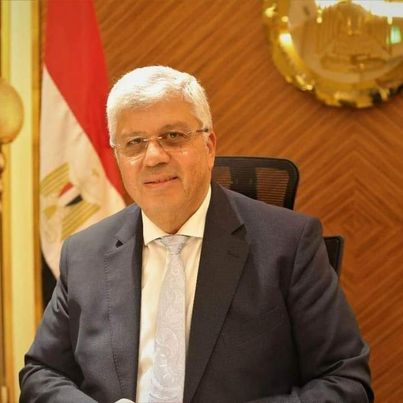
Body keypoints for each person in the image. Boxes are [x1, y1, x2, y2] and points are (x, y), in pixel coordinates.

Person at [20, 66, 373, 403]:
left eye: (173, 136)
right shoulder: (84, 254)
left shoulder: (289, 244)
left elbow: (346, 381)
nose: (153, 157)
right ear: (118, 157)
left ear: (209, 146)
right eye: (134, 142)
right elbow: (41, 374)